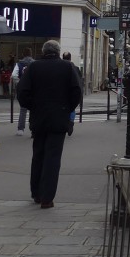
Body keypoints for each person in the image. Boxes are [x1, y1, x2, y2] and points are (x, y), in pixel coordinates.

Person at [17, 39, 82, 208]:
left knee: (38, 154)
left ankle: (36, 193)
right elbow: (77, 92)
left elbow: (22, 92)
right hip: (59, 117)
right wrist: (67, 108)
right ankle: (47, 198)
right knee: (53, 157)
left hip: (38, 117)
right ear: (58, 52)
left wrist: (33, 106)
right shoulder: (67, 67)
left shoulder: (33, 67)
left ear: (44, 51)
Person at [12, 53, 34, 135]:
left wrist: (19, 83)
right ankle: (32, 128)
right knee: (33, 109)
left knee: (23, 109)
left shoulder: (19, 64)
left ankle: (20, 129)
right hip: (33, 88)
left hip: (23, 89)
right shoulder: (34, 63)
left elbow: (14, 75)